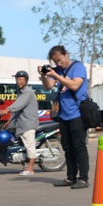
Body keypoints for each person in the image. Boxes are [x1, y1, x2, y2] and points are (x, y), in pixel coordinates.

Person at [40, 45, 90, 189]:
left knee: (79, 146)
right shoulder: (59, 70)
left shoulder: (77, 67)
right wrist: (44, 74)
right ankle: (71, 177)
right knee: (67, 147)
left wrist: (56, 75)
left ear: (66, 54)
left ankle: (83, 178)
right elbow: (48, 86)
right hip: (63, 114)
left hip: (77, 113)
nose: (58, 64)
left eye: (60, 60)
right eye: (55, 62)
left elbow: (75, 85)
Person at [5, 70, 40, 176]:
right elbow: (18, 110)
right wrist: (9, 121)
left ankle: (30, 169)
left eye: (21, 79)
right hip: (22, 123)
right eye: (17, 79)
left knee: (30, 146)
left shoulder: (28, 92)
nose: (19, 81)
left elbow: (17, 106)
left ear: (26, 80)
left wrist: (7, 110)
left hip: (28, 123)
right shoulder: (21, 92)